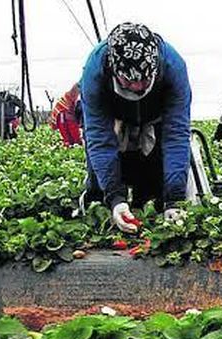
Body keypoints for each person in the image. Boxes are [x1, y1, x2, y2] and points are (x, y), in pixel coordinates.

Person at [78, 22, 192, 234]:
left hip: (153, 117)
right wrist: (115, 197)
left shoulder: (172, 67)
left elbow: (176, 134)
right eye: (129, 81)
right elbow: (99, 138)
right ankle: (102, 210)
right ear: (114, 70)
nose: (138, 87)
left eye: (144, 80)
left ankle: (150, 208)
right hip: (114, 117)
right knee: (102, 184)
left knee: (152, 181)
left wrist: (175, 199)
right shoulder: (95, 71)